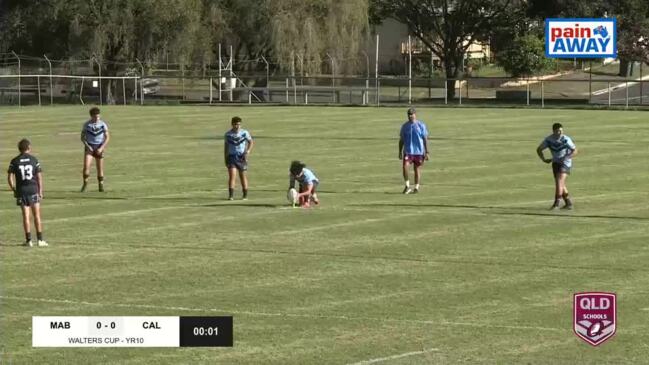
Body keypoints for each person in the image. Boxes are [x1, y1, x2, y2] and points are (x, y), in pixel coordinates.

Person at [7, 139, 48, 247]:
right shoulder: (33, 159)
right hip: (33, 189)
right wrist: (40, 191)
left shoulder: (14, 161)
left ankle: (28, 240)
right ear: (29, 148)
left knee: (25, 216)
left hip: (22, 191)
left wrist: (14, 189)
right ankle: (40, 240)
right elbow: (39, 177)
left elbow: (10, 177)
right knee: (37, 215)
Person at [536, 122, 578, 210]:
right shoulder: (549, 139)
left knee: (559, 181)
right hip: (555, 162)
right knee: (560, 183)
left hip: (565, 163)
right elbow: (539, 149)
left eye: (561, 131)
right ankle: (568, 203)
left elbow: (575, 151)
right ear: (553, 131)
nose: (560, 133)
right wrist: (543, 159)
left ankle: (556, 204)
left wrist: (567, 157)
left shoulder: (566, 139)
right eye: (558, 131)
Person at [398, 107, 429, 194]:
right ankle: (407, 185)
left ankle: (416, 187)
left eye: (412, 114)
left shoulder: (421, 125)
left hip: (418, 152)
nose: (410, 116)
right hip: (408, 151)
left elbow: (425, 139)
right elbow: (401, 140)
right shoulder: (405, 126)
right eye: (409, 114)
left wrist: (427, 152)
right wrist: (400, 151)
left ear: (415, 115)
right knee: (405, 166)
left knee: (417, 169)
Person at [80, 107, 110, 192]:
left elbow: (107, 137)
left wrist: (101, 148)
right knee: (86, 167)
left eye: (98, 116)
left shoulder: (103, 124)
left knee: (99, 168)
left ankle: (101, 185)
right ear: (91, 116)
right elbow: (82, 137)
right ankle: (85, 184)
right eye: (95, 117)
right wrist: (87, 146)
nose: (97, 118)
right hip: (89, 147)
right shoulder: (87, 125)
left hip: (99, 147)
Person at [224, 116, 254, 200]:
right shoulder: (228, 134)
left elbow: (251, 142)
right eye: (236, 124)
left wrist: (248, 151)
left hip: (241, 157)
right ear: (232, 124)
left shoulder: (244, 133)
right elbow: (226, 146)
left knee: (242, 176)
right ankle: (231, 196)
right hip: (232, 157)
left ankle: (245, 195)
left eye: (239, 124)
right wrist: (225, 157)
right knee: (232, 176)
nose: (237, 126)